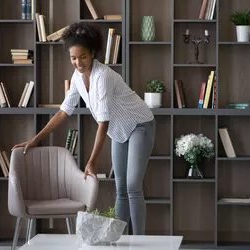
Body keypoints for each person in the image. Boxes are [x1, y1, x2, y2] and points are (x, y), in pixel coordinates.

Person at [12, 22, 156, 235]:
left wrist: (92, 161)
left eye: (83, 57)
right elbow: (63, 111)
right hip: (118, 131)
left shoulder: (103, 76)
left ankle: (140, 241)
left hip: (139, 125)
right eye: (73, 58)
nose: (78, 63)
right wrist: (36, 139)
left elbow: (103, 122)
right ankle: (119, 239)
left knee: (133, 186)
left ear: (92, 54)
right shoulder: (78, 78)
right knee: (121, 189)